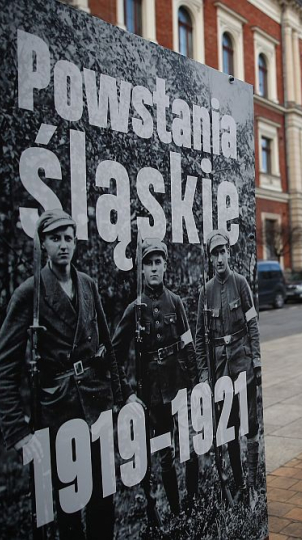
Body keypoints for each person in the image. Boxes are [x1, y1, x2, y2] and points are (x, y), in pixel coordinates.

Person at [0, 209, 135, 539]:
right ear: (43, 243)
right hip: (59, 409)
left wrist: (121, 398)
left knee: (103, 495)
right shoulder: (29, 293)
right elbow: (5, 368)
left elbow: (107, 346)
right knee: (69, 501)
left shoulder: (87, 284)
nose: (63, 245)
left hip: (96, 400)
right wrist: (17, 431)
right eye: (55, 238)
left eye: (69, 238)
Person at [111, 238, 200, 515]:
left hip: (180, 385)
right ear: (141, 269)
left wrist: (196, 382)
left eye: (157, 262)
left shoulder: (175, 302)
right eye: (148, 263)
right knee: (165, 454)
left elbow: (188, 345)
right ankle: (175, 511)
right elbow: (114, 353)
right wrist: (127, 392)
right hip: (153, 394)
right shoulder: (134, 309)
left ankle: (193, 502)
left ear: (165, 266)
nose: (153, 269)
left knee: (191, 446)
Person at [195, 230, 262, 499]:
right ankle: (239, 483)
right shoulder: (205, 292)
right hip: (220, 368)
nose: (220, 257)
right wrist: (203, 373)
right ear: (210, 258)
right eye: (215, 253)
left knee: (251, 424)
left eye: (223, 252)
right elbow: (200, 336)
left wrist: (256, 361)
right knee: (230, 425)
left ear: (229, 253)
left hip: (242, 362)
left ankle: (254, 483)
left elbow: (253, 324)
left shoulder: (241, 283)